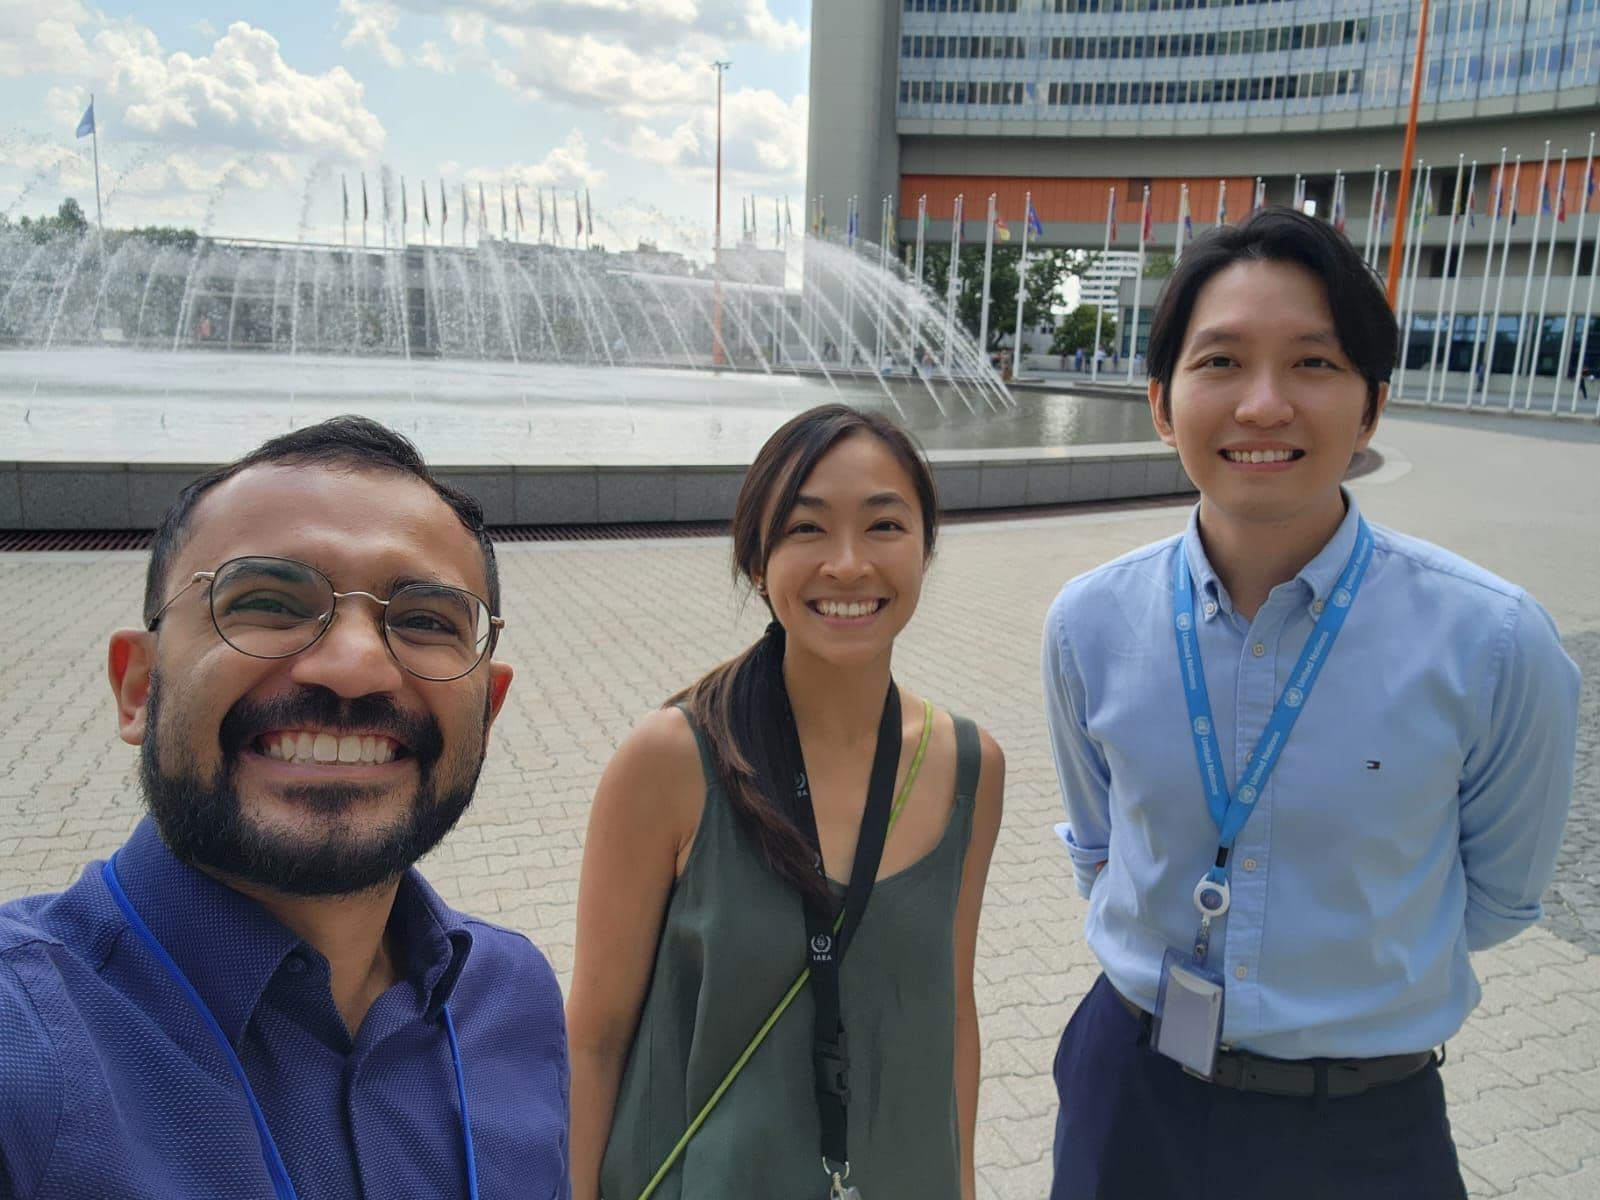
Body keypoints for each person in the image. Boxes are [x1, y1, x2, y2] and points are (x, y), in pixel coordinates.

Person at [1041, 209, 1579, 1200]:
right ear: (1161, 404)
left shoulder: (1492, 643)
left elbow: (1498, 898)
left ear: (1370, 408)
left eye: (1313, 365)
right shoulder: (1090, 623)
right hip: (1131, 1099)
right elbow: (1099, 845)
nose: (1261, 404)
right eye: (1219, 363)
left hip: (1361, 1128)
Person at [0, 416, 571, 1199]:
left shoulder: (513, 998)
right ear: (140, 687)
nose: (356, 666)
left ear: (487, 713)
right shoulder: (21, 1041)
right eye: (267, 601)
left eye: (425, 620)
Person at [568, 404, 1005, 1200]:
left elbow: (952, 1010)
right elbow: (593, 1041)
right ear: (756, 561)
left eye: (884, 527)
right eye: (806, 530)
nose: (847, 565)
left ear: (926, 549)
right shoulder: (672, 760)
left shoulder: (967, 765)